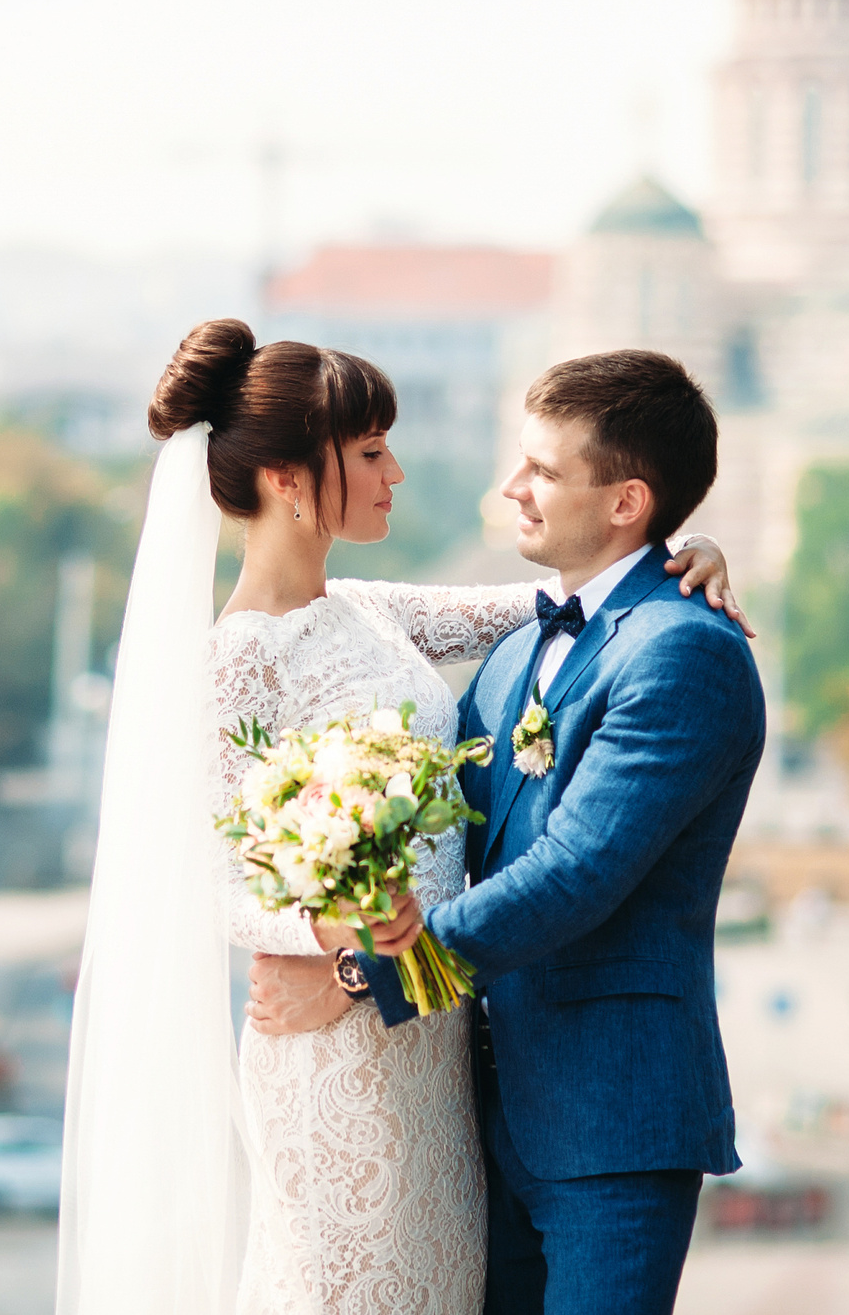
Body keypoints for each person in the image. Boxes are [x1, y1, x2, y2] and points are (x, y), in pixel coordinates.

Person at [56, 323, 745, 1315]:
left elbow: (573, 598)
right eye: (372, 450)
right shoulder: (234, 663)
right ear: (293, 477)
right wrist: (336, 948)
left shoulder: (374, 609)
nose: (397, 470)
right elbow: (204, 881)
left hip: (434, 1043)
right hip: (334, 1040)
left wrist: (687, 550)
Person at [248, 350, 766, 1315]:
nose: (512, 489)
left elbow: (578, 872)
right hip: (474, 1115)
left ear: (626, 501)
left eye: (544, 472)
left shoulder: (687, 652)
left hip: (612, 1118)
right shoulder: (517, 649)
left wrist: (363, 973)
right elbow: (456, 841)